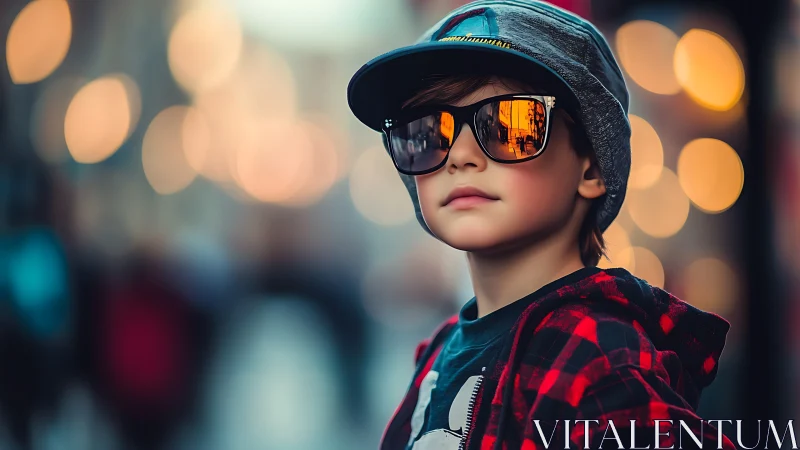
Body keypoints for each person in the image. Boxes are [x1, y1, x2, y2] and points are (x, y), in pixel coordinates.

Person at [347, 1, 735, 449]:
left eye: (511, 125)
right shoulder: (440, 351)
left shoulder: (601, 359)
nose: (459, 155)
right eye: (428, 131)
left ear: (591, 169)